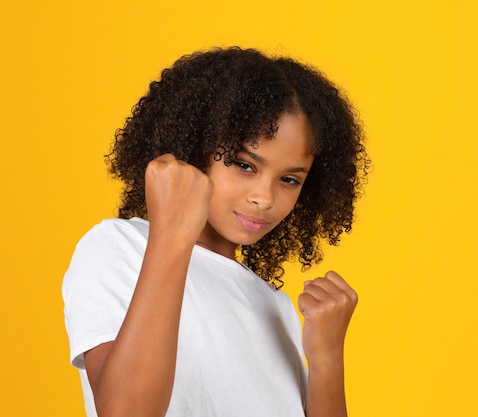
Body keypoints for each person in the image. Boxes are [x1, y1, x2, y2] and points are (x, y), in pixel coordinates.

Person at [62, 46, 369, 417]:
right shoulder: (119, 248)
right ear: (194, 148)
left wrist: (327, 359)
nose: (264, 197)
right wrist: (173, 232)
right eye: (244, 165)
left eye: (289, 179)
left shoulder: (275, 308)